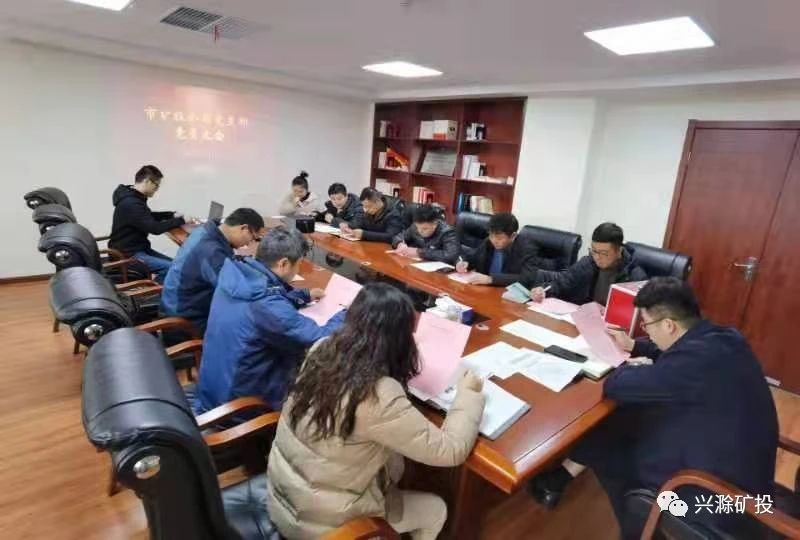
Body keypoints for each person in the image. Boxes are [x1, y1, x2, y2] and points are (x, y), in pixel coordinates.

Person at [529, 277, 778, 538]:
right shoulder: (726, 338)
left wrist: (625, 366)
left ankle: (641, 530)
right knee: (623, 421)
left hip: (716, 501)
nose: (646, 331)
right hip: (749, 484)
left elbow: (616, 386)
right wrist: (635, 346)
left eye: (646, 325)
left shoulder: (688, 366)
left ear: (669, 325)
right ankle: (557, 480)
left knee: (609, 445)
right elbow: (681, 352)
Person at [267, 282, 486, 539]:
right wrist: (468, 394)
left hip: (285, 499)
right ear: (399, 338)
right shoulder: (377, 394)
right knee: (436, 509)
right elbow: (451, 450)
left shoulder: (322, 348)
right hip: (322, 525)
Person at [195, 227, 345, 413]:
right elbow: (319, 339)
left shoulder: (237, 274)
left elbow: (267, 295)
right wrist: (347, 313)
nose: (298, 269)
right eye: (298, 264)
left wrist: (303, 295)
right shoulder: (266, 304)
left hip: (214, 391)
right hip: (241, 407)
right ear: (283, 263)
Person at [160, 208, 265, 333]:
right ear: (244, 228)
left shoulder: (206, 230)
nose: (249, 244)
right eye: (252, 238)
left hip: (176, 304)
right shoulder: (211, 251)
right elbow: (235, 292)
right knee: (254, 328)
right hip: (185, 320)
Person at [529, 222, 646, 305]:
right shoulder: (588, 263)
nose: (597, 257)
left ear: (619, 251)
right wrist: (543, 290)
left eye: (604, 253)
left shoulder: (635, 277)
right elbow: (562, 282)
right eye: (594, 251)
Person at [109, 165, 186, 283]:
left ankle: (159, 289)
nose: (157, 189)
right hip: (128, 255)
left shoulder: (133, 196)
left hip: (136, 249)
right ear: (147, 181)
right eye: (156, 185)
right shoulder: (131, 203)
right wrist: (181, 220)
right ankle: (155, 293)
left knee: (177, 265)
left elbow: (145, 216)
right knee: (173, 269)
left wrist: (170, 215)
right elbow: (154, 228)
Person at [455, 212, 557, 286]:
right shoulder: (489, 241)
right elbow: (473, 257)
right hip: (485, 290)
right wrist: (464, 262)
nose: (494, 240)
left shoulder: (527, 248)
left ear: (513, 236)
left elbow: (527, 278)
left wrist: (491, 279)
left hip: (508, 294)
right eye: (491, 235)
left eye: (499, 238)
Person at [391, 204, 460, 264]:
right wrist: (400, 244)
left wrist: (419, 252)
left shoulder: (447, 232)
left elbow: (450, 256)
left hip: (436, 271)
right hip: (417, 264)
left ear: (435, 224)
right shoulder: (416, 227)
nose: (419, 231)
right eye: (418, 227)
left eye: (425, 229)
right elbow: (398, 237)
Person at [339, 187, 404, 243]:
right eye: (364, 206)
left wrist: (364, 234)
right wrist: (348, 225)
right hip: (368, 245)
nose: (365, 210)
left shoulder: (393, 214)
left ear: (378, 202)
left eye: (368, 206)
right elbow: (360, 224)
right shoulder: (368, 211)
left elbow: (391, 236)